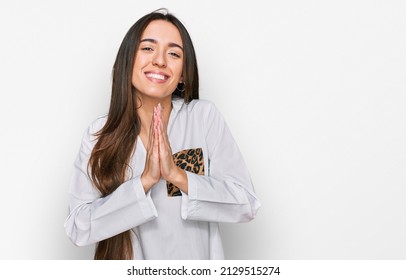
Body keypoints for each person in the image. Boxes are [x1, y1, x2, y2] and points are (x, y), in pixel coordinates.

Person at [64, 8, 261, 260]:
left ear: (183, 74)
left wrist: (177, 176)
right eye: (148, 48)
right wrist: (144, 181)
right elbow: (78, 228)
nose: (160, 60)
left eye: (174, 53)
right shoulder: (98, 134)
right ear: (128, 61)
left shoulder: (202, 117)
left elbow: (246, 203)